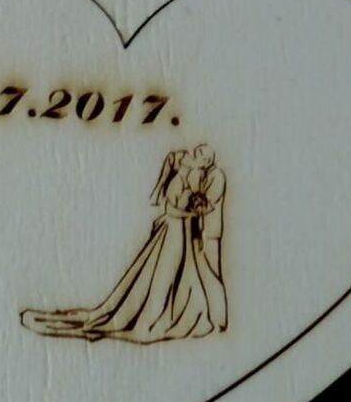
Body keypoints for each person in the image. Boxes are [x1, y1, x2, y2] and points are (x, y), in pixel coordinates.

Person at [21, 144, 227, 343]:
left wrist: (193, 211)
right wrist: (192, 212)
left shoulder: (194, 178)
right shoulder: (179, 181)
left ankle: (182, 310)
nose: (194, 157)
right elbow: (173, 207)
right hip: (175, 231)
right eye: (195, 155)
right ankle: (160, 314)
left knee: (174, 273)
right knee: (163, 275)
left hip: (181, 232)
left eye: (199, 155)